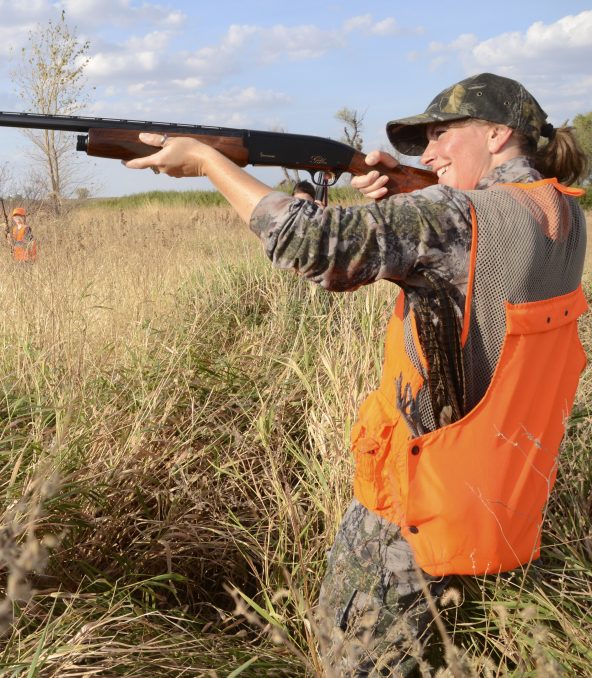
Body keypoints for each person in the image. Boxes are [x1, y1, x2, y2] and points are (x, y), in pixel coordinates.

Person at [123, 72, 588, 674]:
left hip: (411, 507)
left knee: (355, 662)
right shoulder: (562, 213)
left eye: (442, 135)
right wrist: (404, 194)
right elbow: (464, 269)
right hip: (493, 494)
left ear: (497, 134)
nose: (429, 154)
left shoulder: (452, 214)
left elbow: (309, 242)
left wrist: (210, 162)